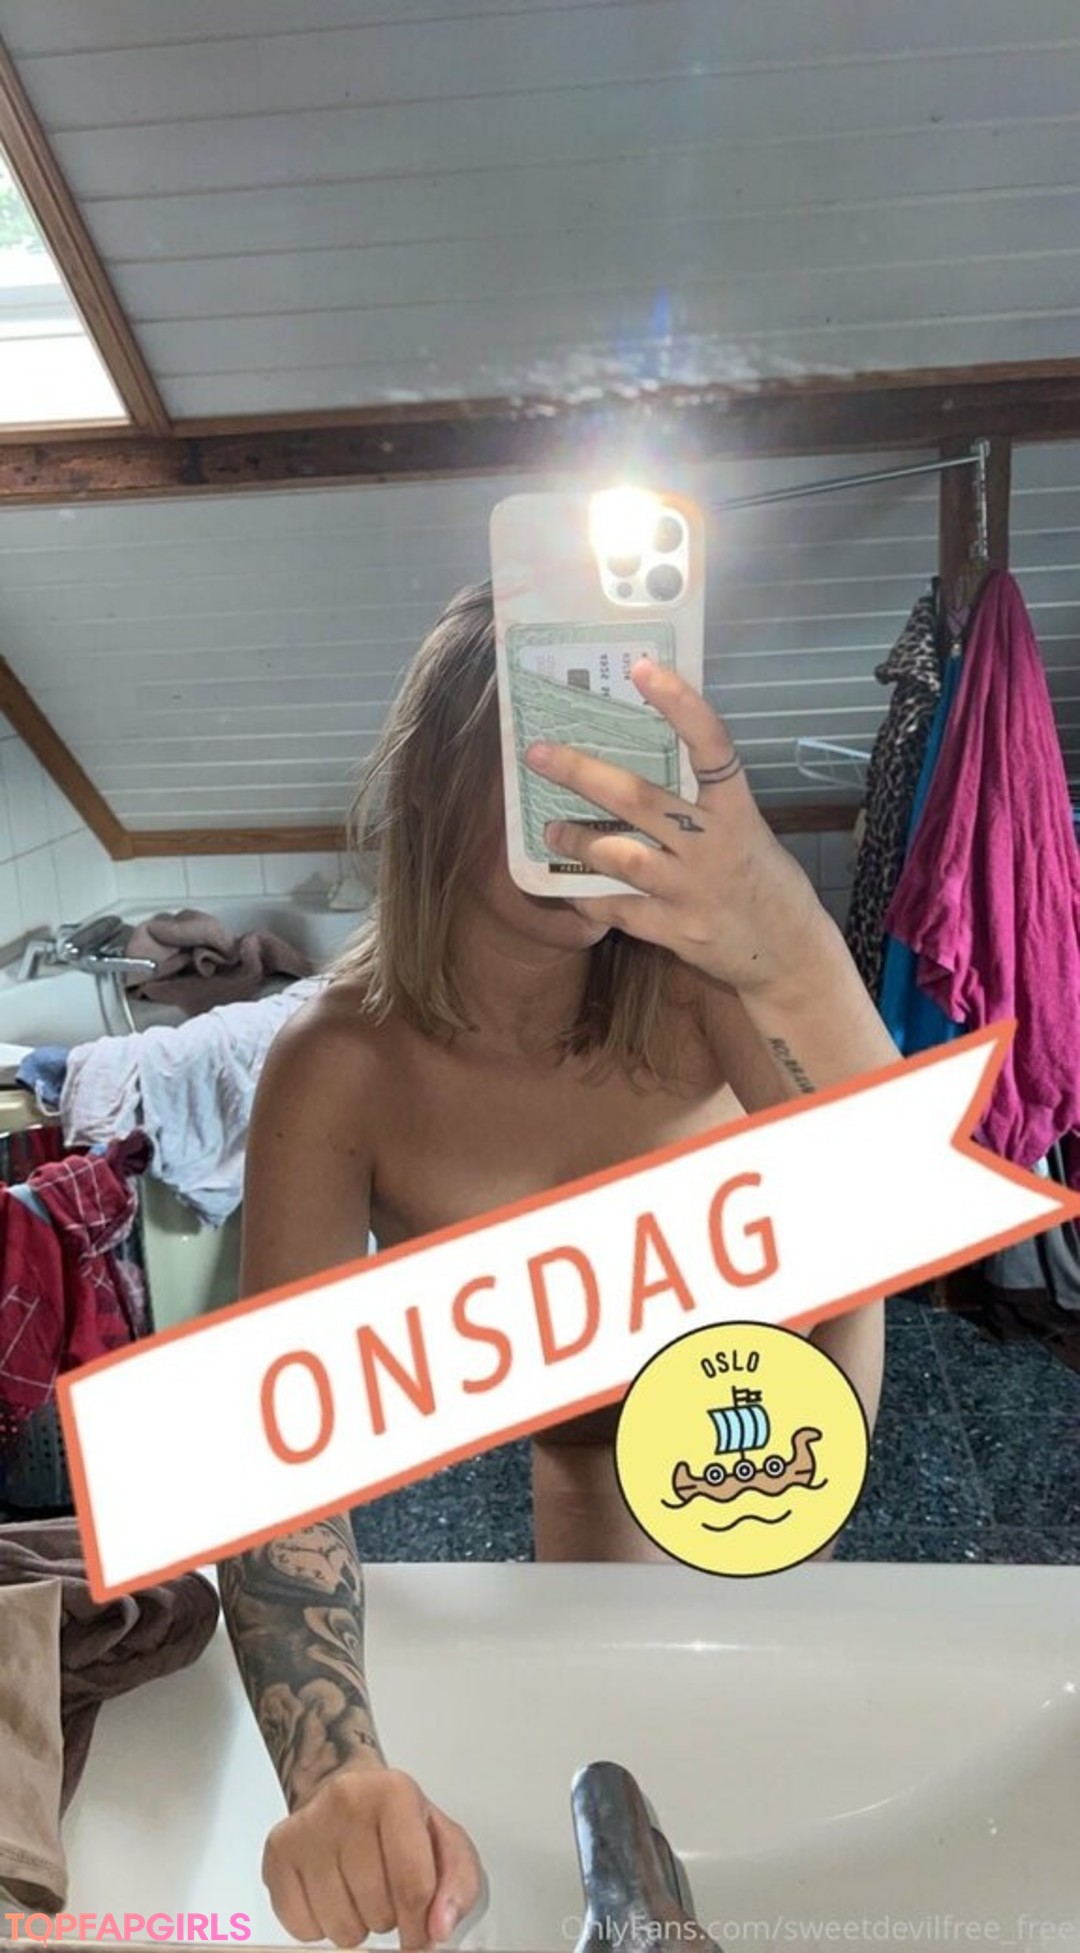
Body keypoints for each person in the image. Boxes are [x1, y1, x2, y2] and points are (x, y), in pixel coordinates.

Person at [218, 581, 896, 1949]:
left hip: (780, 1407)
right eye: (549, 756)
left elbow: (898, 1184)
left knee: (769, 1759)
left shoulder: (696, 982)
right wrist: (332, 1770)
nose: (591, 803)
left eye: (621, 758)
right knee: (615, 1768)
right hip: (585, 1444)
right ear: (435, 781)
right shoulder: (337, 1066)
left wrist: (777, 920)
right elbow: (274, 1455)